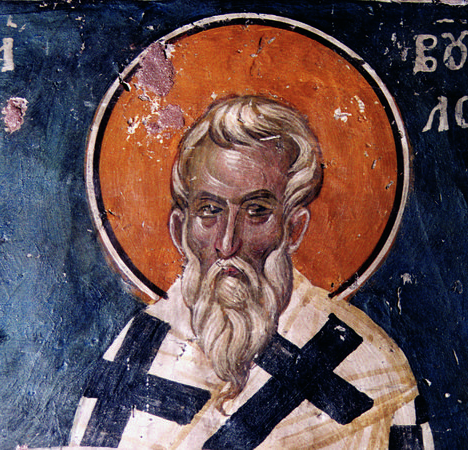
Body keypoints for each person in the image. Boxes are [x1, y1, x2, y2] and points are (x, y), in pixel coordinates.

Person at [69, 96, 434, 449]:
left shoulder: (371, 365)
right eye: (209, 210)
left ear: (294, 228)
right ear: (180, 228)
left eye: (256, 211)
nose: (227, 242)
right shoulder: (137, 350)